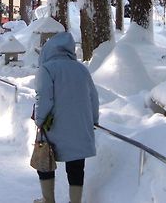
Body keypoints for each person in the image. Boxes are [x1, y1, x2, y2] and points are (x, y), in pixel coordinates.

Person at [33, 31, 99, 203]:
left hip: (54, 127)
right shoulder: (82, 70)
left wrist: (39, 120)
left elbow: (43, 97)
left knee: (45, 161)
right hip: (80, 126)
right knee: (76, 166)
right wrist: (93, 120)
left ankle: (48, 200)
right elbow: (93, 97)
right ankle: (75, 201)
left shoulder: (46, 69)